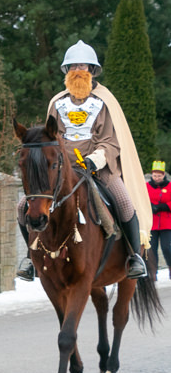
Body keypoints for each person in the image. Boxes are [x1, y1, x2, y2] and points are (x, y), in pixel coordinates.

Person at [16, 40, 150, 281]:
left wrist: (93, 160)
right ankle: (30, 258)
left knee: (123, 202)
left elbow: (109, 141)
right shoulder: (57, 103)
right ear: (66, 71)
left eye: (83, 66)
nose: (78, 70)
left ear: (92, 70)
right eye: (73, 66)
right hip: (60, 171)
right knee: (22, 206)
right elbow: (49, 140)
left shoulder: (105, 101)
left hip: (97, 168)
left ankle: (133, 257)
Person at [147, 160, 171, 278]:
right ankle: (152, 272)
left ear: (163, 175)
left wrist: (164, 206)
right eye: (155, 175)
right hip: (152, 223)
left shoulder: (170, 186)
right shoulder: (146, 186)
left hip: (167, 223)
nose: (157, 178)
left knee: (167, 247)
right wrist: (150, 206)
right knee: (152, 248)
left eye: (159, 175)